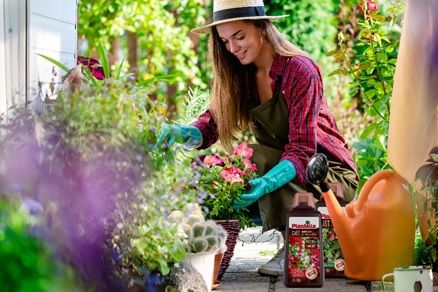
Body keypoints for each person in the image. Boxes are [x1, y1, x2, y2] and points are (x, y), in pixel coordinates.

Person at [158, 0, 358, 276]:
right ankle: (203, 249)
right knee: (210, 168)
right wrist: (183, 132)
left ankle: (296, 244)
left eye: (239, 36)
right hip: (287, 170)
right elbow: (211, 124)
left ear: (262, 28)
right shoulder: (241, 73)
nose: (233, 48)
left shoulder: (300, 71)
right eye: (225, 41)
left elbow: (302, 152)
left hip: (328, 177)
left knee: (254, 157)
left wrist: (264, 183)